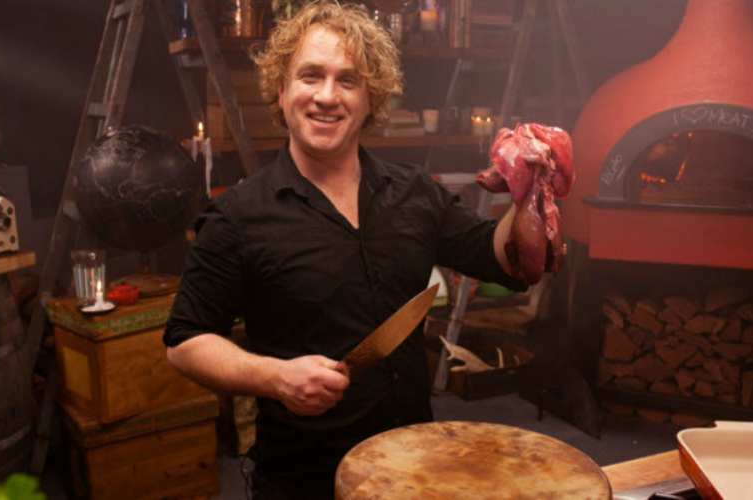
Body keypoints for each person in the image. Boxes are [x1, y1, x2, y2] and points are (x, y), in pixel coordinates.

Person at [163, 2, 525, 498]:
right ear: (281, 89)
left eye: (348, 80)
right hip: (303, 482)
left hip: (412, 469)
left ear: (370, 99)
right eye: (311, 75)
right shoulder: (237, 218)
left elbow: (498, 257)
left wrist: (530, 193)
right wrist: (276, 377)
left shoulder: (415, 194)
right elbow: (184, 342)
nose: (327, 96)